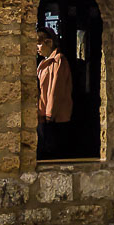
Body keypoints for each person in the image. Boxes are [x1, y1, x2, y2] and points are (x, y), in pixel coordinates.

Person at [36, 26, 73, 159]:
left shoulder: (59, 61)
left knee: (54, 153)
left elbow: (56, 90)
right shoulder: (44, 62)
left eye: (40, 43)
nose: (37, 47)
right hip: (44, 113)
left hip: (55, 117)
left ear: (49, 43)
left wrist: (50, 113)